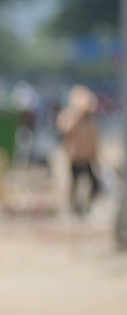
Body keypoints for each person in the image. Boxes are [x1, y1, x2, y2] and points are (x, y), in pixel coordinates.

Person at [56, 84, 101, 216]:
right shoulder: (69, 115)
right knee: (75, 184)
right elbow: (64, 130)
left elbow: (95, 139)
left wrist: (96, 156)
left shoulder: (91, 121)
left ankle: (84, 207)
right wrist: (78, 116)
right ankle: (74, 208)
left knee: (94, 185)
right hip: (75, 157)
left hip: (88, 158)